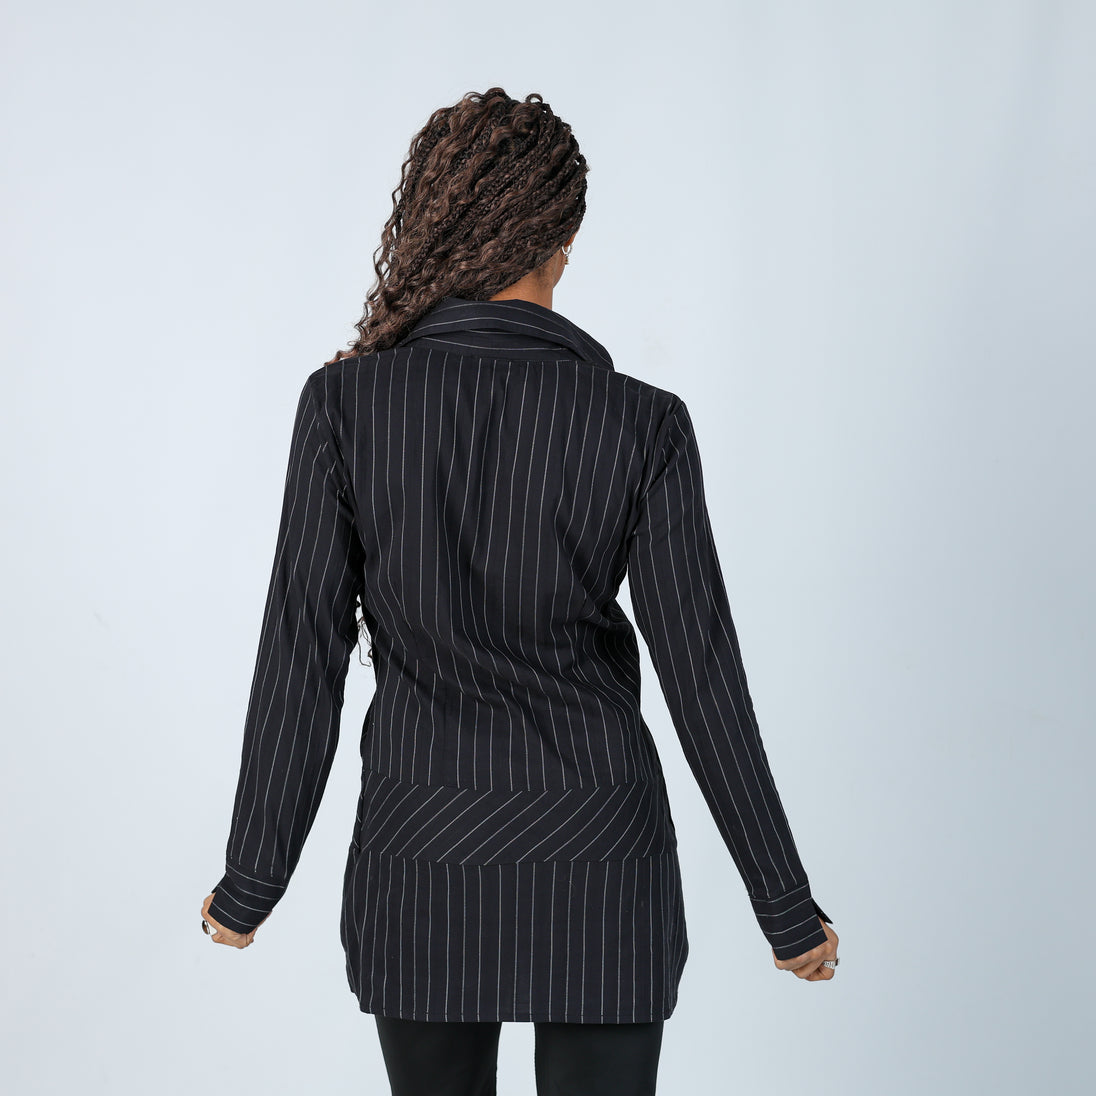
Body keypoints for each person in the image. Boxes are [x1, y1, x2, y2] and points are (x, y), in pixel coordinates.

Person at [199, 86, 839, 1096]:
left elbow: (300, 655)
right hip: (599, 854)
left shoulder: (345, 404)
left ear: (435, 222)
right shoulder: (639, 420)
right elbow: (703, 674)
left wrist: (251, 880)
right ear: (565, 237)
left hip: (423, 852)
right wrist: (785, 906)